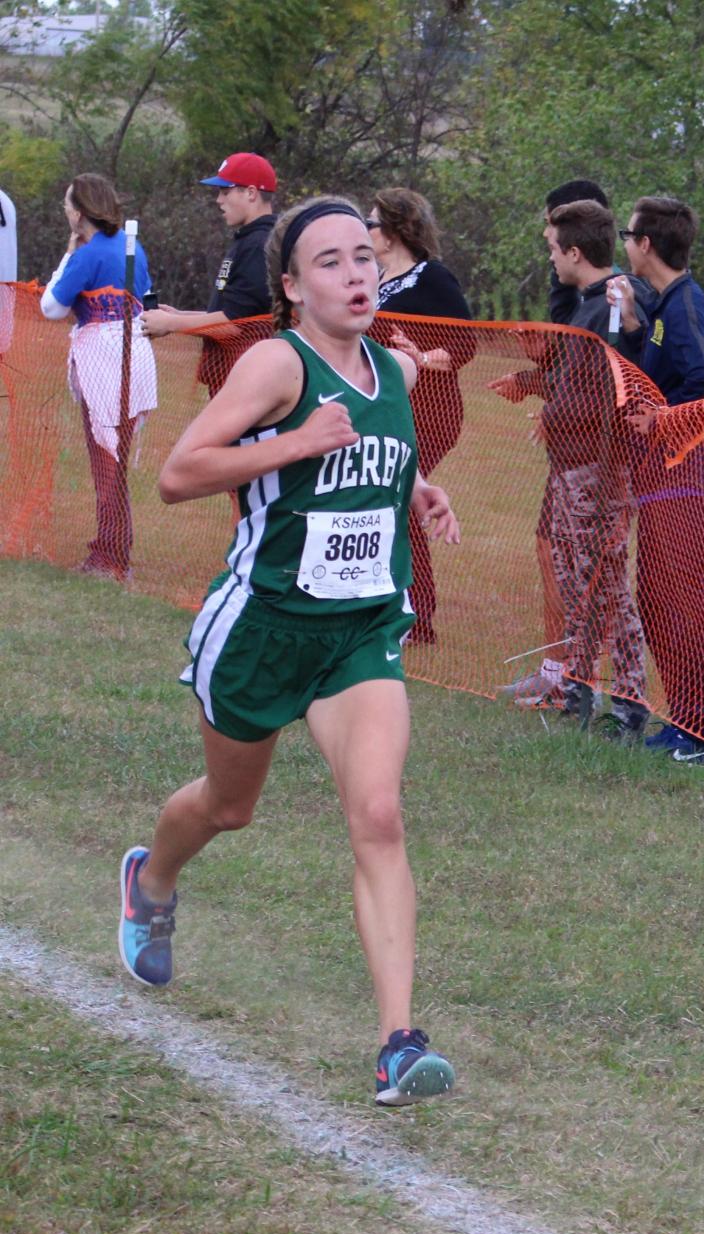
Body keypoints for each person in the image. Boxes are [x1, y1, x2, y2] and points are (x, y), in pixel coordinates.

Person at [119, 196, 462, 1105]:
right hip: (265, 625)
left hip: (358, 630)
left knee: (379, 815)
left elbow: (375, 452)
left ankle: (398, 1040)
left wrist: (417, 488)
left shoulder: (393, 366)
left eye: (365, 257)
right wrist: (297, 443)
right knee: (230, 808)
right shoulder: (278, 362)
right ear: (292, 286)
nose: (355, 275)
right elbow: (176, 475)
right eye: (331, 263)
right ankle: (150, 880)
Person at [490, 198, 651, 739]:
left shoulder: (611, 303)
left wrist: (626, 311)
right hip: (568, 467)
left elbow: (623, 363)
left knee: (605, 585)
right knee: (573, 578)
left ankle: (629, 700)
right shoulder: (582, 305)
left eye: (556, 249)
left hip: (597, 471)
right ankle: (577, 687)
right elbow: (573, 384)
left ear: (576, 251)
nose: (552, 259)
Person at [611, 196, 704, 764]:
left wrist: (663, 419)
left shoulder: (688, 306)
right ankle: (680, 717)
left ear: (646, 244)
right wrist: (632, 324)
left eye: (628, 235)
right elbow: (653, 373)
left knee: (679, 593)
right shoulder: (661, 305)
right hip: (658, 464)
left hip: (686, 468)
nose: (624, 245)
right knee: (653, 591)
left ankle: (698, 731)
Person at [498, 178, 613, 708]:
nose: (546, 237)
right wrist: (537, 370)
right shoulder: (570, 289)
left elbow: (601, 383)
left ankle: (576, 678)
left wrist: (556, 405)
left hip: (593, 457)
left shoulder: (607, 300)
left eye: (552, 226)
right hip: (568, 451)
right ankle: (559, 670)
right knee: (553, 550)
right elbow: (569, 367)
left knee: (588, 564)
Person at [366, 186, 475, 644]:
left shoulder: (432, 277)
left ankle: (417, 617)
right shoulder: (372, 277)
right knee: (384, 497)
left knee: (403, 496)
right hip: (387, 405)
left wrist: (420, 357)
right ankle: (390, 602)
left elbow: (465, 345)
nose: (365, 230)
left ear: (392, 231)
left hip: (430, 409)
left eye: (371, 223)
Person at [40, 173, 158, 580]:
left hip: (104, 362)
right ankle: (112, 547)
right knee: (115, 462)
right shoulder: (132, 247)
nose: (65, 211)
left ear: (79, 213)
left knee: (107, 464)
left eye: (67, 205)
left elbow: (51, 307)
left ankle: (111, 557)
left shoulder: (87, 255)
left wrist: (70, 252)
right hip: (134, 355)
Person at [140, 152, 277, 394]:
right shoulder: (248, 240)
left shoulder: (259, 245)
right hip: (233, 377)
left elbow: (235, 324)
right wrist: (183, 314)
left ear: (251, 193)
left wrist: (172, 323)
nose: (218, 200)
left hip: (248, 381)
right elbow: (240, 312)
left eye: (226, 192)